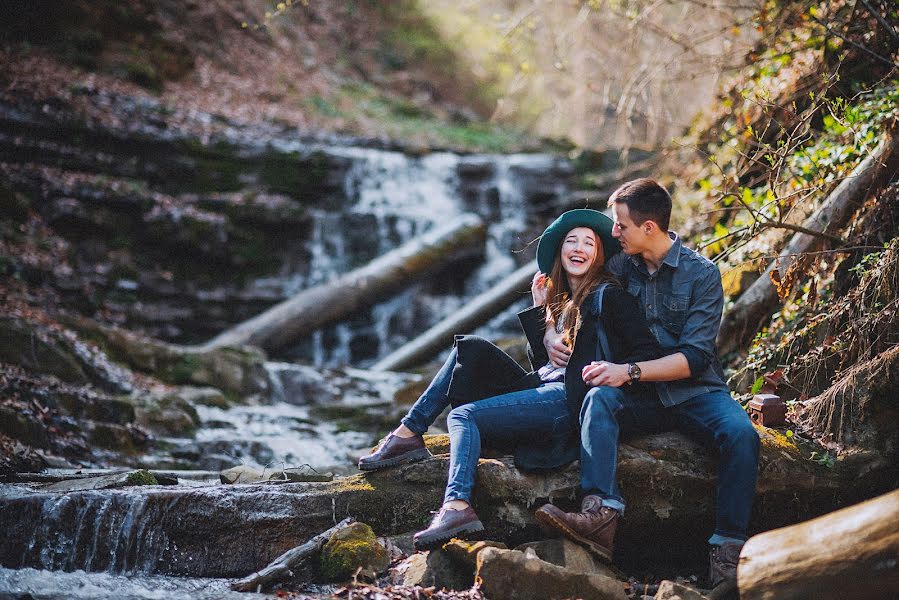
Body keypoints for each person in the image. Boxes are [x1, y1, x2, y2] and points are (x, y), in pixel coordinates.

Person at [357, 209, 661, 551]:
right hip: (545, 390)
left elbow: (644, 351)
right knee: (467, 349)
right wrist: (541, 318)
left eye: (588, 243)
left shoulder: (609, 296)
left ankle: (456, 506)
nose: (579, 248)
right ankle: (409, 432)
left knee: (463, 415)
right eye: (571, 241)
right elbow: (546, 366)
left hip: (568, 402)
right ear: (560, 252)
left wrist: (617, 372)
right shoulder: (560, 301)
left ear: (599, 254)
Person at [534, 178, 760, 590]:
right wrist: (549, 331)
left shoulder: (702, 275)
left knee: (742, 435)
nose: (612, 233)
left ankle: (728, 551)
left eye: (619, 225)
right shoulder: (621, 263)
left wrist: (629, 371)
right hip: (639, 396)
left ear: (649, 228)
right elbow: (568, 287)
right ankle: (600, 514)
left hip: (695, 391)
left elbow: (694, 359)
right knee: (599, 399)